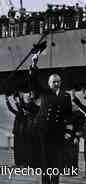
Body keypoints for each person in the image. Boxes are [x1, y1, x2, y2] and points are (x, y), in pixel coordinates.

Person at [29, 56, 73, 184]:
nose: (56, 84)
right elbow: (33, 82)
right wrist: (34, 64)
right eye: (54, 82)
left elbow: (69, 115)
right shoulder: (44, 92)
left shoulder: (66, 96)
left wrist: (68, 132)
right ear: (49, 83)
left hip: (58, 133)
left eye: (58, 81)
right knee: (44, 161)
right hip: (44, 132)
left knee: (56, 161)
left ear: (61, 82)